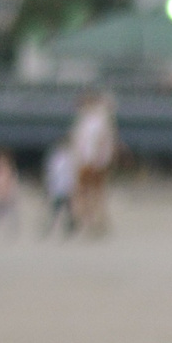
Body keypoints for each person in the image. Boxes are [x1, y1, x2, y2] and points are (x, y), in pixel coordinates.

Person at [69, 91, 116, 237]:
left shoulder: (96, 120)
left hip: (91, 161)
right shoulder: (88, 120)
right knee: (90, 192)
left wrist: (97, 158)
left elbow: (100, 141)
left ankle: (93, 220)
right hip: (87, 160)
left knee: (91, 192)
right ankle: (91, 220)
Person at [42, 139, 77, 238]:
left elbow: (70, 174)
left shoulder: (66, 158)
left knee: (64, 210)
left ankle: (68, 227)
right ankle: (52, 227)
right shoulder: (58, 159)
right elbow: (52, 174)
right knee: (59, 210)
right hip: (60, 189)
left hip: (64, 188)